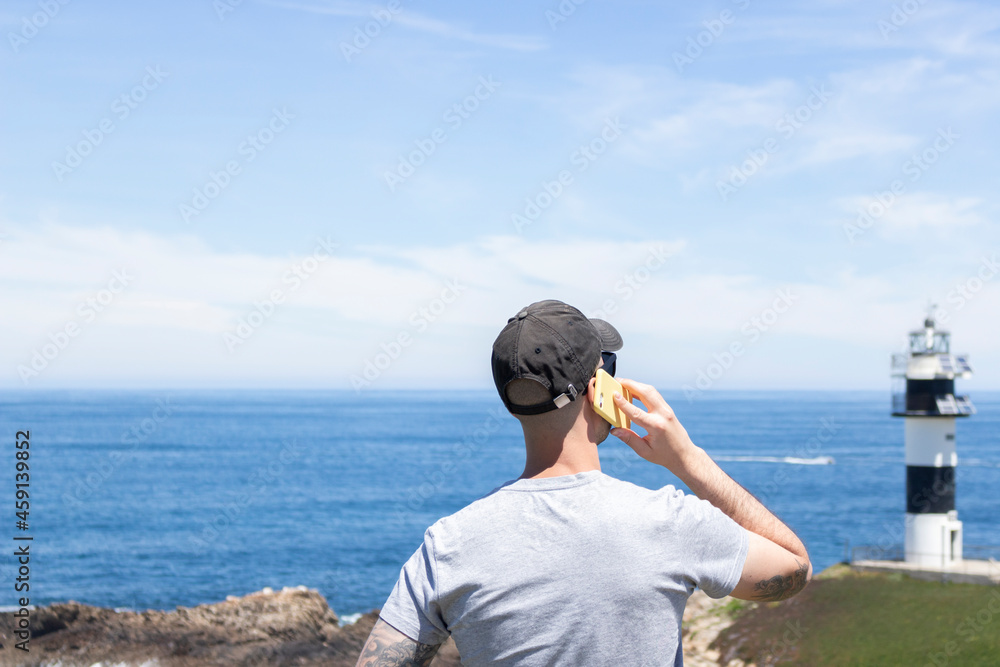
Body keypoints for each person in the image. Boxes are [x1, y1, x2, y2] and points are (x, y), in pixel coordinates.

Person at [356, 299, 811, 666]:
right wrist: (688, 460)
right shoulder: (669, 520)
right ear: (600, 387)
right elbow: (794, 569)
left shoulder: (447, 545)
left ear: (513, 402)